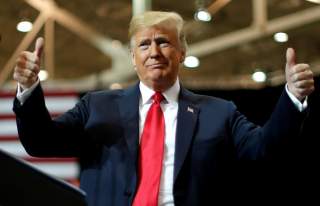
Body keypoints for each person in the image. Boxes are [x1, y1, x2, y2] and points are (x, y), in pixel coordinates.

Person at [12, 11, 314, 206]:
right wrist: (29, 89)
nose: (154, 52)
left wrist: (292, 97)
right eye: (144, 45)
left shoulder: (219, 113)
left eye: (163, 42)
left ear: (182, 52)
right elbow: (41, 141)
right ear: (133, 57)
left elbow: (265, 150)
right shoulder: (97, 106)